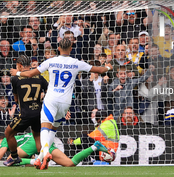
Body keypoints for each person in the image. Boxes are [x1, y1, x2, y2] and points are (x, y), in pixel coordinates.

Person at [10, 38, 113, 170]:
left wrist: (17, 72)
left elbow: (30, 73)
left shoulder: (51, 61)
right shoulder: (76, 63)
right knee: (53, 129)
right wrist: (108, 66)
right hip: (65, 102)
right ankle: (41, 157)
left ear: (58, 48)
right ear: (71, 48)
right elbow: (100, 70)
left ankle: (45, 152)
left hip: (51, 99)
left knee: (45, 127)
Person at [3, 55, 48, 167]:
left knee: (8, 133)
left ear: (20, 65)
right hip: (38, 112)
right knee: (37, 136)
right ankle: (42, 159)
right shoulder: (39, 77)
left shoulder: (15, 79)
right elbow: (49, 91)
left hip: (25, 113)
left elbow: (16, 99)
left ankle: (14, 157)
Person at [0, 132, 108, 167]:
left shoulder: (5, 140)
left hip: (33, 142)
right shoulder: (17, 143)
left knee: (9, 161)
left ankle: (37, 161)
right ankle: (94, 146)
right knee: (70, 163)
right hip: (42, 142)